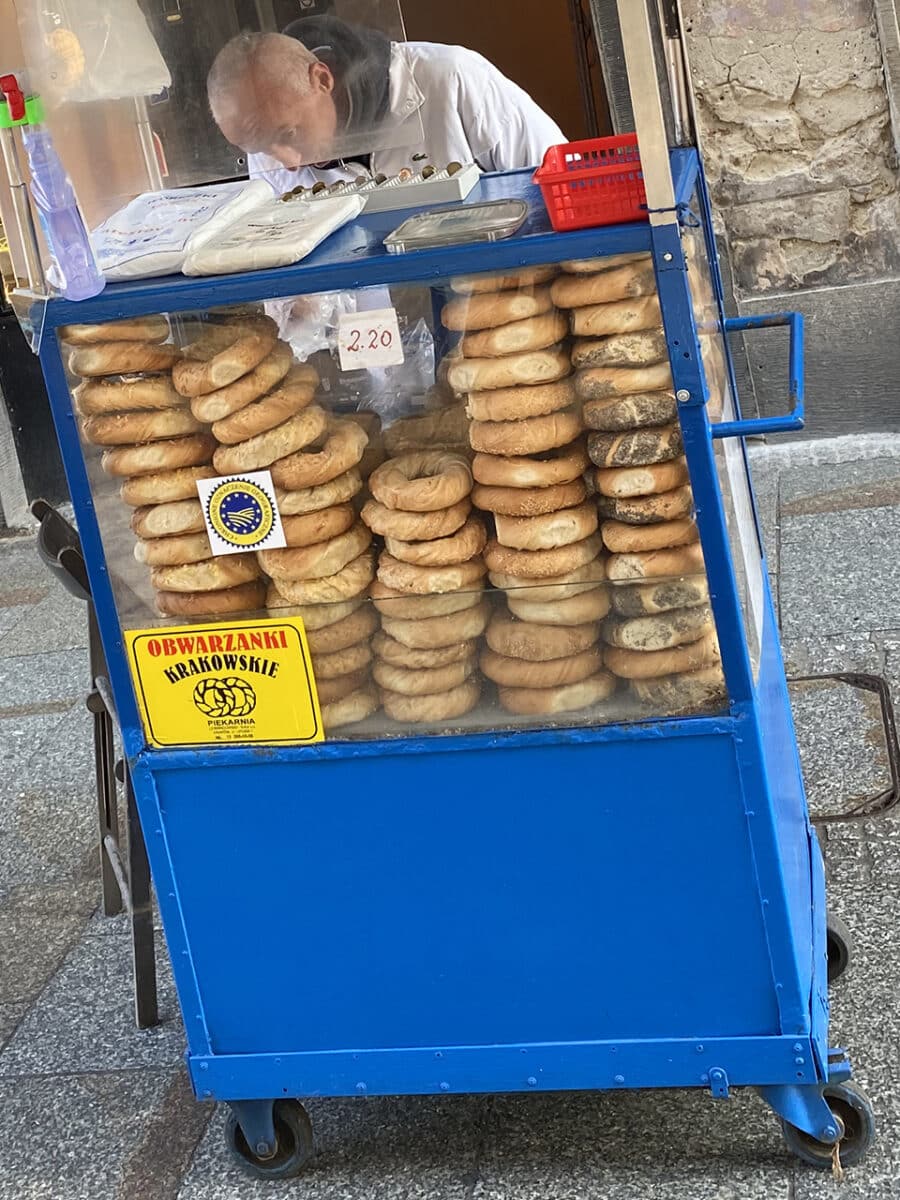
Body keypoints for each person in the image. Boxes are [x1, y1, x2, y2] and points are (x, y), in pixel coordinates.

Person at [207, 16, 565, 196]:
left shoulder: (451, 79)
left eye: (289, 134)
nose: (288, 163)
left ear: (322, 80)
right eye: (259, 149)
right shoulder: (267, 138)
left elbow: (562, 184)